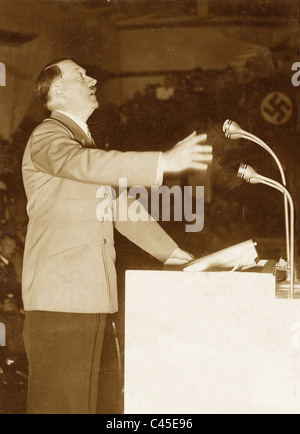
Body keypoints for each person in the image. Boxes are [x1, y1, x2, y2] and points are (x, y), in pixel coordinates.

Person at [22, 58, 213, 414]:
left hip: (88, 295)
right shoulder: (48, 136)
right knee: (60, 406)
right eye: (80, 74)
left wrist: (173, 255)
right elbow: (85, 165)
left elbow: (120, 206)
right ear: (57, 91)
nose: (92, 77)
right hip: (59, 298)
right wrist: (162, 163)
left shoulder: (81, 142)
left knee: (83, 405)